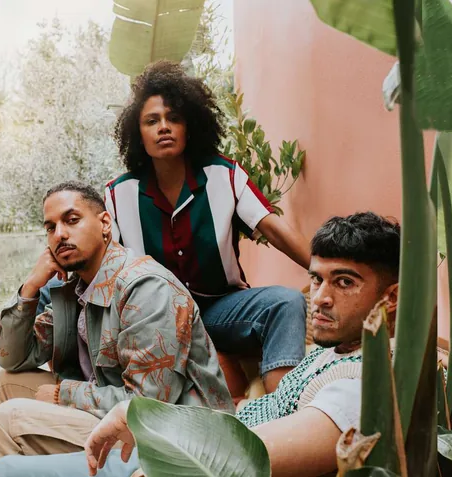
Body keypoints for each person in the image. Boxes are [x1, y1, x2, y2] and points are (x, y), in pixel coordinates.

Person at [0, 212, 401, 477]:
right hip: (187, 438)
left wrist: (158, 435)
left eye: (344, 282)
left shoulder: (362, 382)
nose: (321, 297)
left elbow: (247, 457)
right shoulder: (336, 349)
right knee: (7, 440)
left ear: (392, 297)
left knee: (6, 467)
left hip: (188, 458)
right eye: (317, 279)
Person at [0, 181, 234, 472]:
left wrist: (63, 394)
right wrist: (31, 287)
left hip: (178, 441)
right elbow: (12, 358)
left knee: (7, 421)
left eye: (71, 220)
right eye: (50, 227)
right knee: (9, 382)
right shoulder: (76, 289)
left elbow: (147, 403)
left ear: (104, 224)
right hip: (113, 411)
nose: (60, 234)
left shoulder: (145, 287)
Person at [105, 60, 311, 393]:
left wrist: (326, 272)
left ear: (190, 126)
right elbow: (107, 269)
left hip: (222, 309)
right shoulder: (118, 195)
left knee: (286, 301)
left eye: (174, 118)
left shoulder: (225, 175)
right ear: (138, 134)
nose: (164, 127)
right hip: (159, 320)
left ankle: (282, 403)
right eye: (152, 121)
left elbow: (273, 228)